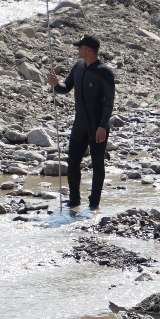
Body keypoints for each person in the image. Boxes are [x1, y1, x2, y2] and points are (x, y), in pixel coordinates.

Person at [47, 34, 115, 212]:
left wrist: (102, 126)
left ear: (89, 50)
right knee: (73, 162)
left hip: (98, 126)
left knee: (97, 164)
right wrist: (56, 84)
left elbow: (109, 102)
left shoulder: (104, 71)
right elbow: (65, 88)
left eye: (80, 47)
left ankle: (94, 204)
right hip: (80, 125)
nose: (77, 49)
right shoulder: (77, 66)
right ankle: (74, 201)